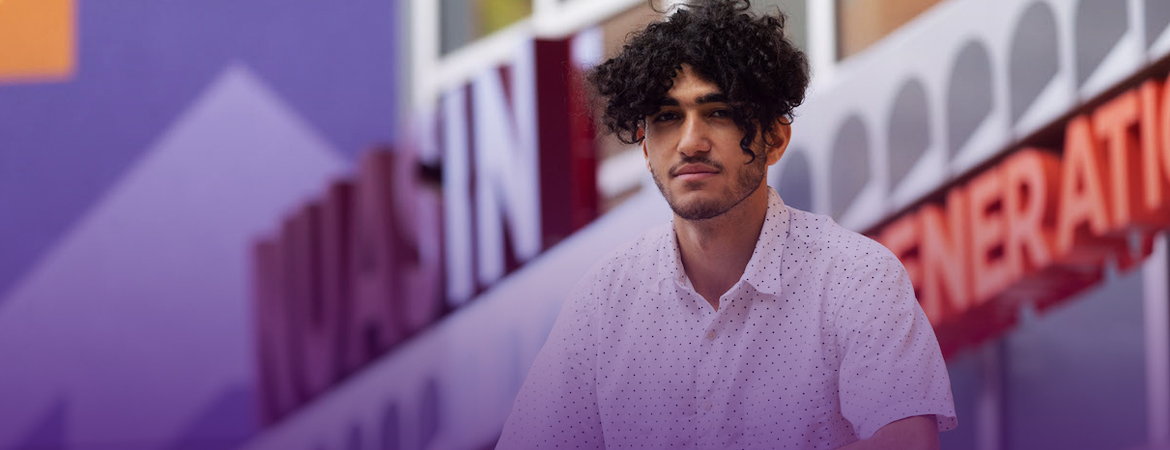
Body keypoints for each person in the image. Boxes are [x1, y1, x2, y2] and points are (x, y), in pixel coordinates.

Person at [496, 1, 956, 448]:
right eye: (667, 117)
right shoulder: (604, 303)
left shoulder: (855, 276)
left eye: (717, 112)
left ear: (774, 138)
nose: (690, 142)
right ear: (645, 149)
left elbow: (906, 440)